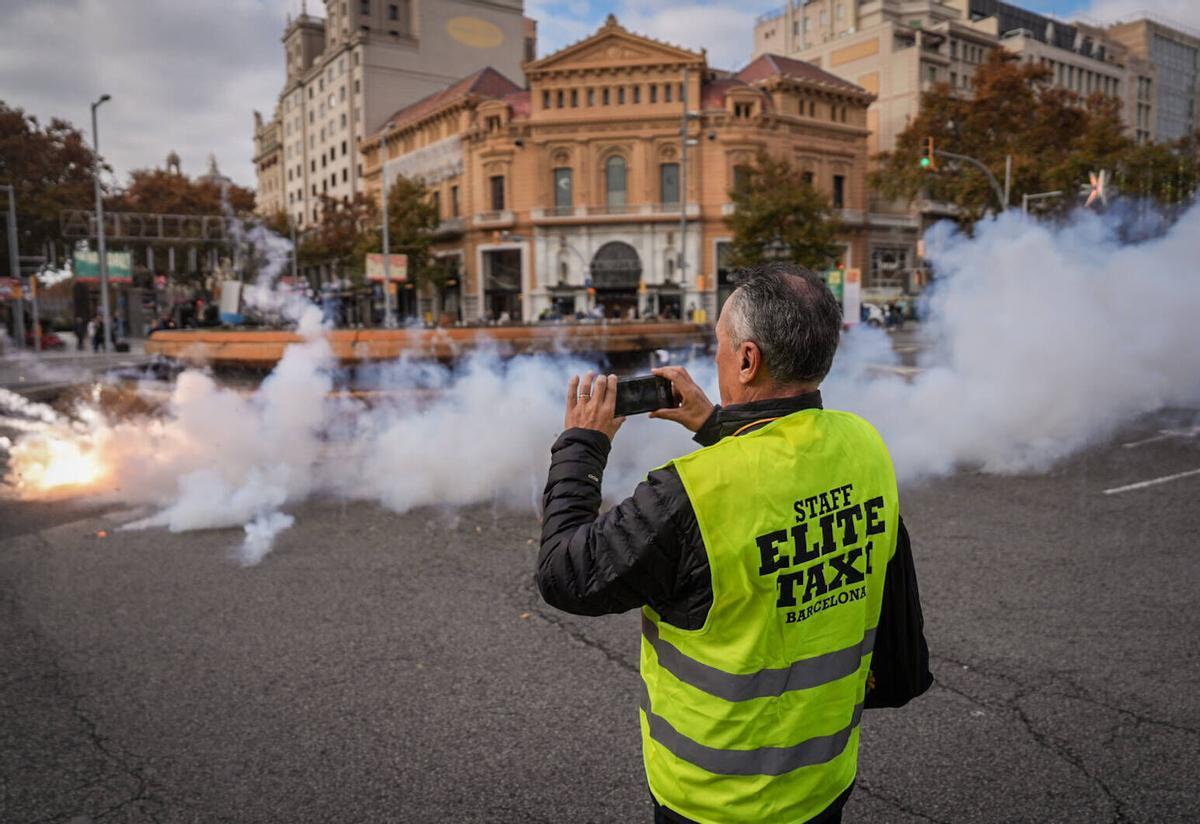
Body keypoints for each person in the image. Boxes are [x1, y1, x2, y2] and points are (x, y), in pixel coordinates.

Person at [537, 262, 932, 824]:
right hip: (822, 781)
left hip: (714, 800)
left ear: (747, 360)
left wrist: (582, 443)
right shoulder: (863, 443)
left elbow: (565, 574)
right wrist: (716, 424)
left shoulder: (690, 494)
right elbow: (779, 470)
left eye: (719, 344)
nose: (715, 356)